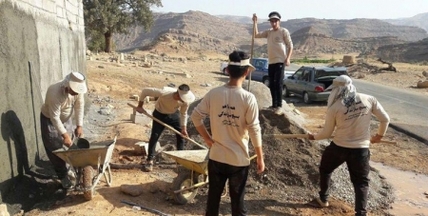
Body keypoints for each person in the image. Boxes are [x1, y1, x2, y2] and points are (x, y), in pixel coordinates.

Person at [191, 51, 265, 216]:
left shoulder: (214, 93)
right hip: (238, 160)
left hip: (216, 157)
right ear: (246, 72)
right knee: (238, 205)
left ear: (228, 71)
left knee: (212, 202)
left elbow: (195, 117)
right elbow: (254, 129)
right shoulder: (248, 98)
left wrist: (208, 140)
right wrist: (260, 157)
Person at [307, 75, 390, 216]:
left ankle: (323, 199)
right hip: (361, 150)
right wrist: (379, 136)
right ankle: (361, 213)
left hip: (339, 147)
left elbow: (327, 133)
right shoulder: (369, 99)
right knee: (361, 182)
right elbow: (385, 119)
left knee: (326, 169)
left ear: (336, 89)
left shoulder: (335, 107)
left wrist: (313, 136)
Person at [40, 71, 87, 189]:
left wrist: (79, 125)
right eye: (74, 90)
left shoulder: (77, 91)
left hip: (66, 119)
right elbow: (54, 117)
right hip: (50, 121)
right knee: (55, 148)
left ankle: (69, 169)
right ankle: (63, 176)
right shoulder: (54, 92)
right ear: (67, 85)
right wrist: (64, 135)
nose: (76, 93)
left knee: (69, 145)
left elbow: (79, 106)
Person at [135, 84, 195, 172]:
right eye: (182, 98)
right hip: (159, 114)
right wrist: (140, 106)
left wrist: (184, 128)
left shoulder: (185, 101)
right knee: (155, 136)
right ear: (178, 94)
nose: (183, 101)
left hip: (173, 114)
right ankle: (150, 160)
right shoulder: (164, 93)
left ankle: (180, 160)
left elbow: (183, 114)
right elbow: (145, 91)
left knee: (181, 136)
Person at [253, 11, 293, 114]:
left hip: (280, 61)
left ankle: (279, 105)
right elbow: (256, 35)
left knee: (278, 83)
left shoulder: (283, 31)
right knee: (272, 84)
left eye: (275, 21)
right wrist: (255, 22)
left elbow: (290, 45)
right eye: (272, 21)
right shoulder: (269, 32)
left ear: (279, 21)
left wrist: (288, 58)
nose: (273, 23)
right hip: (271, 62)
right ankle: (274, 104)